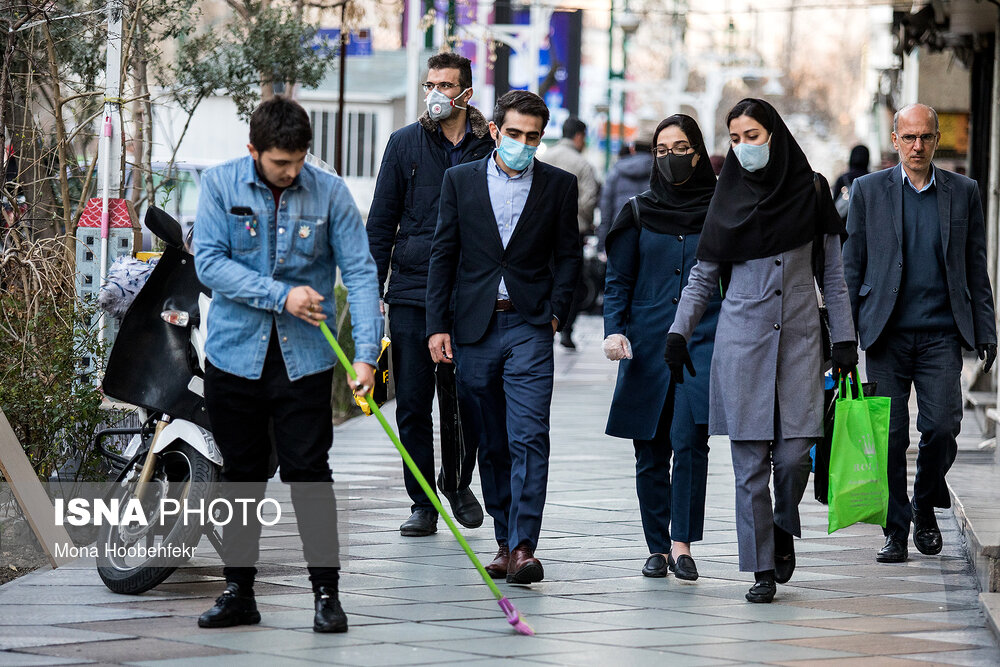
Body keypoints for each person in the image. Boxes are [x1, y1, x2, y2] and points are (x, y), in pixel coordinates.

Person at [192, 96, 381, 632]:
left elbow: (362, 275)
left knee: (309, 473)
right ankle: (238, 592)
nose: (292, 171)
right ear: (253, 151)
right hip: (234, 357)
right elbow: (209, 264)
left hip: (307, 360)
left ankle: (326, 594)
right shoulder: (220, 185)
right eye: (280, 162)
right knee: (242, 476)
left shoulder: (329, 191)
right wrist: (282, 296)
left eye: (299, 160)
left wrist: (366, 356)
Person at [665, 98, 857, 603]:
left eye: (752, 136)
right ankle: (761, 569)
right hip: (742, 346)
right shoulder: (724, 201)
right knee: (750, 468)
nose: (743, 147)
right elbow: (703, 276)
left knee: (794, 458)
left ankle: (782, 525)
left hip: (799, 345)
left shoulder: (812, 191)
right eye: (734, 139)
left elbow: (833, 277)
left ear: (774, 134)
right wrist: (678, 333)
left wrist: (845, 340)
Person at [425, 90, 581, 584]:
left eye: (533, 137)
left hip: (530, 325)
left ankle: (524, 546)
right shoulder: (459, 181)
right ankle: (502, 537)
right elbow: (443, 255)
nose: (523, 144)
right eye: (514, 134)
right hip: (474, 327)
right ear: (495, 131)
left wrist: (556, 314)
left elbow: (570, 256)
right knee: (490, 440)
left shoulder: (559, 185)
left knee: (530, 435)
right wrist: (437, 325)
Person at [842, 103, 997, 564]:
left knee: (944, 427)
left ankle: (925, 501)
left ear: (935, 141)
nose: (917, 146)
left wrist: (986, 327)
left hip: (941, 334)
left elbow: (975, 265)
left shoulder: (963, 191)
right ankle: (896, 527)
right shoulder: (868, 191)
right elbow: (851, 267)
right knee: (889, 436)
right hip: (886, 334)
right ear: (894, 140)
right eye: (908, 138)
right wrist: (844, 337)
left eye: (925, 138)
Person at [367, 52, 492, 537]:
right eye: (430, 84)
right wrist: (372, 290)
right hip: (413, 290)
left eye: (446, 85)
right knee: (414, 402)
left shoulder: (490, 145)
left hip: (469, 292)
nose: (436, 93)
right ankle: (422, 500)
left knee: (465, 400)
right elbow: (381, 223)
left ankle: (457, 481)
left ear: (466, 93)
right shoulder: (404, 144)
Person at [603, 114, 720, 581]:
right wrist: (615, 330)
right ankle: (656, 545)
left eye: (681, 147)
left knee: (690, 441)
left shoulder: (720, 209)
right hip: (646, 343)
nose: (671, 157)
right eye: (662, 149)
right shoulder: (637, 210)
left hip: (702, 341)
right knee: (649, 445)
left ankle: (682, 543)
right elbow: (618, 280)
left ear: (698, 151)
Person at [539, 117, 601, 349]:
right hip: (573, 231)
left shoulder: (544, 157)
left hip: (542, 230)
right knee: (570, 280)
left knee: (544, 275)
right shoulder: (582, 165)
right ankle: (565, 328)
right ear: (579, 136)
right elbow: (588, 201)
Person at [597, 133, 655, 251]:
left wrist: (602, 243)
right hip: (651, 236)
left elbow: (606, 212)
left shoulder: (616, 172)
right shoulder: (660, 173)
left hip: (619, 233)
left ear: (632, 149)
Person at [831, 144, 870, 222]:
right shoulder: (871, 178)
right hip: (867, 220)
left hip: (846, 221)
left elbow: (835, 202)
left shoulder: (842, 179)